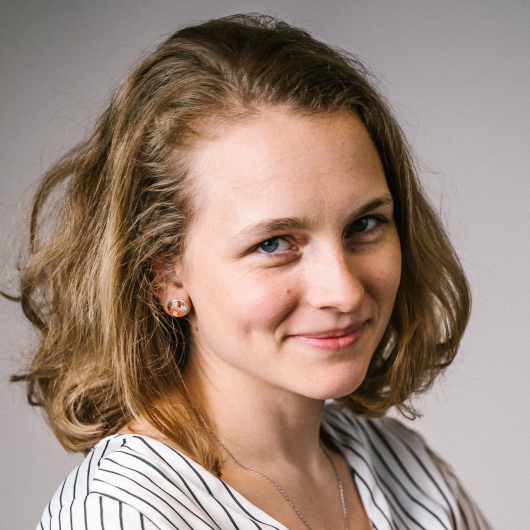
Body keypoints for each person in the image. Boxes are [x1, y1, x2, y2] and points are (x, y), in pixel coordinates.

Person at [6, 14, 492, 530]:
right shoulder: (121, 515)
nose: (345, 291)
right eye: (274, 243)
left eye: (364, 224)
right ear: (166, 275)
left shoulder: (408, 468)